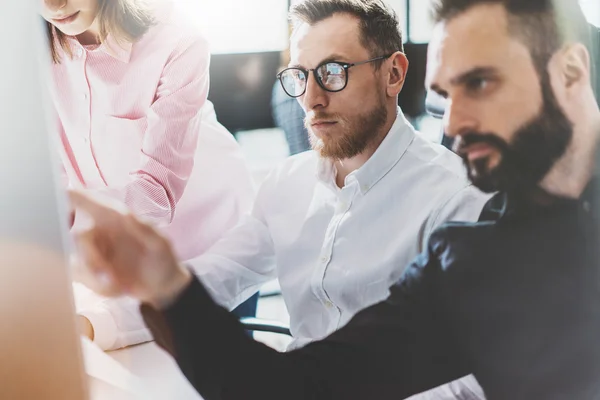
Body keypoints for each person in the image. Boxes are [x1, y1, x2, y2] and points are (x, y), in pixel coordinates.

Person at [70, 0, 600, 399]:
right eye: (301, 76)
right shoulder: (473, 258)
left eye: (333, 72)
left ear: (394, 74)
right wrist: (131, 300)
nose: (455, 126)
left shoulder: (462, 206)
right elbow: (295, 378)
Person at [41, 0, 256, 350]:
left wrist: (51, 222)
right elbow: (52, 171)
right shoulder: (33, 49)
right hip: (117, 252)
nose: (52, 4)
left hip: (207, 243)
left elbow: (155, 191)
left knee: (220, 371)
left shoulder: (177, 40)